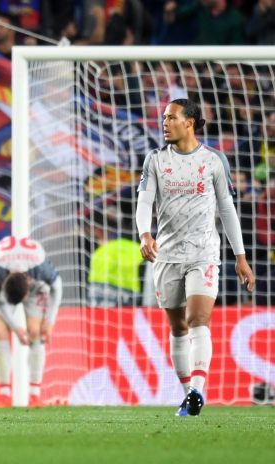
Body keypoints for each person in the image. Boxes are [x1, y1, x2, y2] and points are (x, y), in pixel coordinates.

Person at [136, 98, 255, 417]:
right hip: (167, 254)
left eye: (171, 117)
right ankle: (188, 392)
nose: (164, 123)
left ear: (189, 122)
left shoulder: (214, 161)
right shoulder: (155, 160)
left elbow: (227, 209)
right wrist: (145, 234)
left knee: (198, 319)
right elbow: (145, 202)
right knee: (178, 328)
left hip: (204, 252)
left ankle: (197, 391)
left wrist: (240, 256)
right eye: (163, 118)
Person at [0, 236, 62, 408]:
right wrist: (16, 328)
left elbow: (58, 285)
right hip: (3, 286)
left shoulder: (40, 267)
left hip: (36, 286)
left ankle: (34, 396)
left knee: (36, 333)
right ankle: (4, 395)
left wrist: (50, 322)